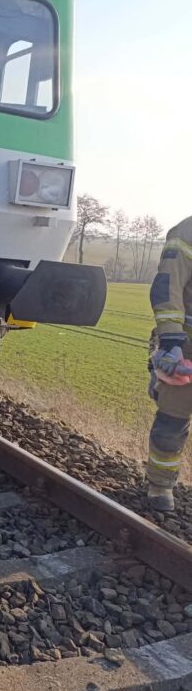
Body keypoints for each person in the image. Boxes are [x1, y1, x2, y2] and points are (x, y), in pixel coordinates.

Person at [146, 216, 192, 510]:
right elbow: (167, 286)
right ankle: (160, 487)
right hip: (186, 344)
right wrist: (172, 342)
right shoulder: (187, 232)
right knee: (172, 421)